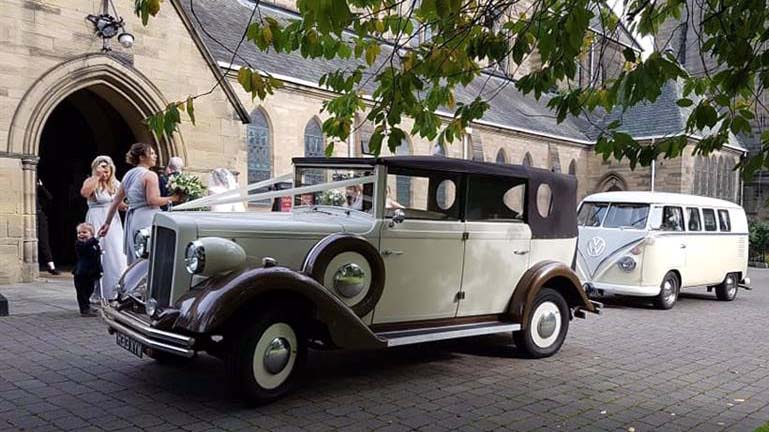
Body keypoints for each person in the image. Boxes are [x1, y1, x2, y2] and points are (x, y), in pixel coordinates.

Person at [98, 143, 181, 265]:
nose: (155, 156)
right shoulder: (150, 175)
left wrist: (107, 223)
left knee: (138, 256)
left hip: (134, 218)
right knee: (150, 256)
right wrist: (174, 198)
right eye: (152, 153)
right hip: (148, 217)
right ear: (142, 157)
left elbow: (116, 201)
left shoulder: (128, 175)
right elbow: (152, 200)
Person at [81, 155, 126, 301]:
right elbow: (84, 193)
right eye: (102, 170)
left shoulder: (115, 184)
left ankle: (115, 289)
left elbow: (119, 204)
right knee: (98, 253)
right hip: (96, 218)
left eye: (107, 171)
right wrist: (97, 176)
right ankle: (97, 292)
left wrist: (131, 207)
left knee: (116, 253)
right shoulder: (91, 181)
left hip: (113, 221)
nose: (105, 174)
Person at [72, 223, 102, 317]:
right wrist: (95, 239)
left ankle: (87, 305)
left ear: (91, 234)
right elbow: (85, 247)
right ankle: (84, 309)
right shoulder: (79, 244)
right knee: (82, 292)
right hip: (81, 273)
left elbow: (97, 258)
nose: (81, 234)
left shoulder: (95, 245)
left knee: (90, 290)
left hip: (91, 272)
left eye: (84, 232)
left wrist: (100, 270)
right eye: (79, 233)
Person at [36, 179, 59, 275]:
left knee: (44, 241)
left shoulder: (38, 190)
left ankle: (51, 266)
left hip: (39, 216)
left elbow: (49, 197)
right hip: (29, 216)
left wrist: (41, 187)